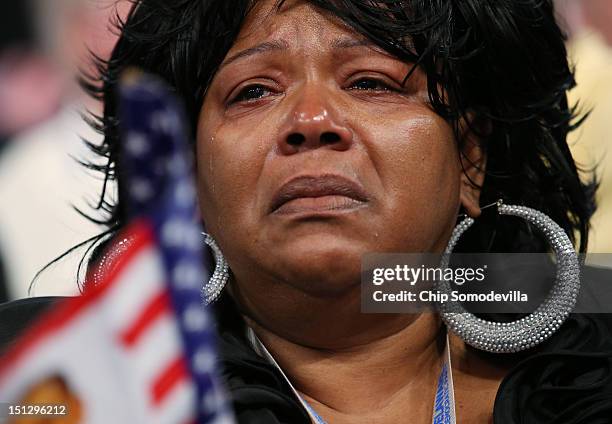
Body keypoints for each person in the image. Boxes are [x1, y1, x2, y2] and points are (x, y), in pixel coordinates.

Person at [5, 0, 612, 423]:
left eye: (371, 82)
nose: (311, 122)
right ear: (186, 177)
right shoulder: (44, 382)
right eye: (254, 91)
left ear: (471, 157)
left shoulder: (597, 360)